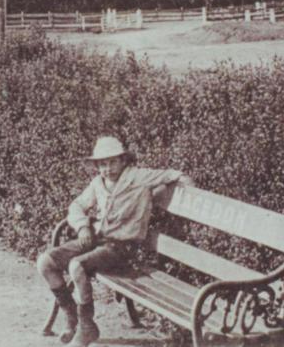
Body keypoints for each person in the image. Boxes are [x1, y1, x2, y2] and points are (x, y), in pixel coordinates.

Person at [37, 136, 194, 347]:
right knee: (45, 262)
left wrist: (187, 191)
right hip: (96, 240)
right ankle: (72, 316)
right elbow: (77, 205)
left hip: (121, 248)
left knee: (77, 265)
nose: (107, 168)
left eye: (112, 162)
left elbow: (174, 175)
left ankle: (87, 327)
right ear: (96, 166)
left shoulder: (138, 177)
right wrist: (83, 226)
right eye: (102, 164)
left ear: (123, 161)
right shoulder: (97, 184)